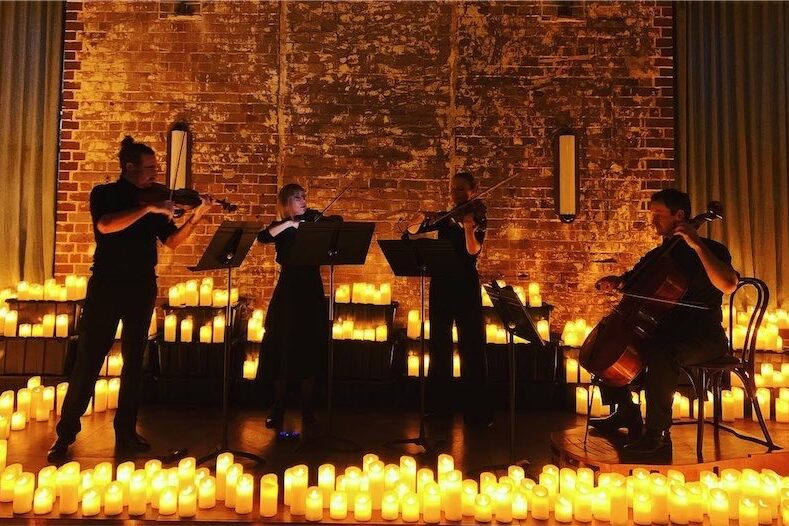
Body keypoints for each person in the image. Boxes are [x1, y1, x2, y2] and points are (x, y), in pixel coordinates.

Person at [48, 136, 215, 463]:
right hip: (107, 286)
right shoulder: (105, 194)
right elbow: (106, 226)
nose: (156, 173)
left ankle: (126, 430)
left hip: (141, 287)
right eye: (149, 168)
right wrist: (148, 207)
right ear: (129, 167)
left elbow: (172, 242)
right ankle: (65, 434)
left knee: (135, 362)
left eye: (156, 168)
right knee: (89, 361)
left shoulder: (158, 202)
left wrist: (197, 216)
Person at [589, 188, 739, 456]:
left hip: (703, 336)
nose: (653, 221)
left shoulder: (713, 250)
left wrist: (697, 245)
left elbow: (728, 284)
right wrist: (618, 281)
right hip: (665, 332)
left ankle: (657, 437)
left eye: (658, 215)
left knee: (661, 353)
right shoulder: (659, 255)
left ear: (679, 215)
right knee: (609, 347)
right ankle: (626, 411)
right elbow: (632, 280)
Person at [405, 171, 491, 425]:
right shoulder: (445, 218)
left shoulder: (477, 216)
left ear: (473, 190)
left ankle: (476, 411)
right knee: (439, 344)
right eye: (453, 189)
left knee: (471, 345)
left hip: (465, 285)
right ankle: (438, 407)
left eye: (462, 189)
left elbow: (473, 251)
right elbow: (410, 233)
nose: (456, 194)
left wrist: (467, 228)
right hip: (441, 284)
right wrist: (422, 217)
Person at [256, 183, 340, 429]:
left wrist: (311, 222)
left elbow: (337, 220)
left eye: (304, 197)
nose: (303, 201)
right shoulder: (281, 227)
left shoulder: (313, 220)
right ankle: (278, 405)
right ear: (286, 203)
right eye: (297, 198)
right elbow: (263, 237)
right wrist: (291, 224)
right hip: (288, 290)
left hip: (311, 289)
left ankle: (307, 407)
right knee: (282, 344)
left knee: (309, 345)